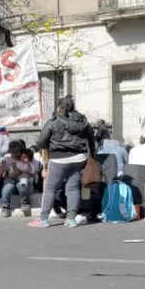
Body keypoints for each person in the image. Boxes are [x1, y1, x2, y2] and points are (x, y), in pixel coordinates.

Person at [31, 95, 95, 228]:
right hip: (79, 158)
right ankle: (71, 219)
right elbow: (91, 138)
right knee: (72, 188)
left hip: (58, 158)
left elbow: (42, 141)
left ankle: (43, 219)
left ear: (59, 107)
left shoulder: (53, 121)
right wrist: (91, 154)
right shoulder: (82, 121)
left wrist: (44, 150)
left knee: (50, 189)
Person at [0, 141, 34, 218]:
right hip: (10, 180)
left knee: (22, 186)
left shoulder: (24, 158)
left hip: (22, 179)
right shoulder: (7, 159)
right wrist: (2, 166)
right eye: (13, 152)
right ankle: (5, 207)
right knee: (7, 187)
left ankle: (25, 204)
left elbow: (31, 172)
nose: (15, 154)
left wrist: (22, 166)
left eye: (17, 152)